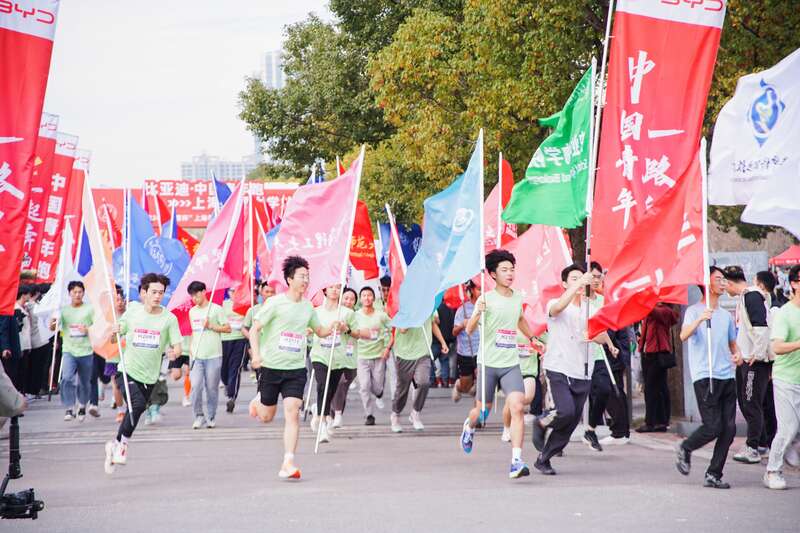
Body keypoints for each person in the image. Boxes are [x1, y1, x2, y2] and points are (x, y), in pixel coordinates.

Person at [247, 256, 341, 479]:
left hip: (296, 369)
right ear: (289, 279)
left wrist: (333, 326)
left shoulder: (309, 307)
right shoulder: (275, 303)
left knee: (293, 413)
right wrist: (257, 355)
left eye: (308, 276)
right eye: (302, 276)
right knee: (267, 416)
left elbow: (319, 332)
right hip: (271, 367)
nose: (306, 280)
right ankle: (258, 400)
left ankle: (288, 462)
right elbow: (254, 329)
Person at [459, 249, 541, 479]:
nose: (510, 273)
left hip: (510, 364)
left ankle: (516, 461)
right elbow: (469, 329)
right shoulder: (485, 299)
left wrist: (534, 339)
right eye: (504, 270)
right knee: (481, 412)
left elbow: (521, 320)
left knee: (517, 406)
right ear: (492, 274)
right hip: (487, 363)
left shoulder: (517, 297)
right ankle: (469, 426)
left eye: (512, 269)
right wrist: (477, 314)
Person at [531, 263, 618, 476]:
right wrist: (580, 283)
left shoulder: (590, 308)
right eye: (574, 278)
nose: (580, 281)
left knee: (570, 422)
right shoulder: (556, 303)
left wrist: (606, 343)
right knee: (565, 411)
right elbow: (558, 308)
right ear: (564, 283)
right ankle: (542, 422)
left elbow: (595, 334)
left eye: (582, 277)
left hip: (583, 370)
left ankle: (544, 458)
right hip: (558, 367)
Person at [104, 273, 182, 474]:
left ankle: (115, 444)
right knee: (137, 406)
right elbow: (115, 337)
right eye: (154, 292)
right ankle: (122, 445)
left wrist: (174, 353)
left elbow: (177, 346)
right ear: (143, 292)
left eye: (161, 293)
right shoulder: (132, 311)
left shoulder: (169, 318)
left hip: (150, 376)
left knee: (135, 412)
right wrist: (114, 332)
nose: (158, 296)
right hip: (127, 370)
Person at [675, 266, 741, 489]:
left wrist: (738, 354)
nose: (723, 283)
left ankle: (714, 473)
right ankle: (686, 447)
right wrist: (700, 319)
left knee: (729, 428)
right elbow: (683, 335)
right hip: (705, 376)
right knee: (713, 426)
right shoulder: (694, 311)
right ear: (707, 283)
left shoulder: (726, 316)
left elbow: (733, 343)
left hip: (726, 376)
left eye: (724, 279)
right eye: (718, 279)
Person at [723, 266, 777, 464]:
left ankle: (753, 447)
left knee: (751, 403)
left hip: (755, 361)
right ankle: (761, 443)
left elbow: (760, 327)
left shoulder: (751, 296)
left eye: (723, 282)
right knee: (751, 402)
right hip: (748, 359)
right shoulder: (748, 297)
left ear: (729, 282)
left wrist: (758, 354)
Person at [764, 264, 800, 490]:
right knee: (787, 427)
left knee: (793, 429)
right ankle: (772, 471)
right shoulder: (785, 313)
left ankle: (791, 446)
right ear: (794, 284)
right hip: (786, 379)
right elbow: (776, 347)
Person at [309, 283, 356, 442]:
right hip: (319, 355)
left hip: (338, 357)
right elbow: (309, 329)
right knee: (323, 385)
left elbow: (357, 333)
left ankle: (319, 410)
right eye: (331, 287)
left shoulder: (347, 313)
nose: (335, 290)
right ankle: (322, 427)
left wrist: (346, 328)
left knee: (330, 390)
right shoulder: (316, 312)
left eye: (338, 287)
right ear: (325, 290)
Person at [390, 312, 447, 433]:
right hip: (404, 353)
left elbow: (433, 324)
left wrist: (442, 342)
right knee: (402, 389)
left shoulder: (426, 305)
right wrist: (414, 315)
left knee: (424, 383)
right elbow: (403, 330)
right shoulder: (403, 307)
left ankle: (415, 412)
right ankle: (395, 414)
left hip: (423, 352)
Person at [49, 281, 95, 422]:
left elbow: (97, 326)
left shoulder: (90, 309)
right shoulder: (63, 310)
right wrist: (53, 323)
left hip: (86, 350)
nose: (77, 294)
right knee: (66, 378)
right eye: (74, 292)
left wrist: (87, 330)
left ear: (83, 293)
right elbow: (53, 328)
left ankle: (82, 405)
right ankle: (69, 407)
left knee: (84, 382)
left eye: (80, 292)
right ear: (69, 293)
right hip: (69, 350)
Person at [187, 281, 230, 429]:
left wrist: (212, 326)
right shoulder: (192, 312)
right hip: (197, 355)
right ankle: (199, 416)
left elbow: (228, 328)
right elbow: (193, 332)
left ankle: (211, 415)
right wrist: (191, 350)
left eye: (197, 294)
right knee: (195, 386)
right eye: (192, 296)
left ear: (204, 292)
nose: (195, 298)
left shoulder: (216, 309)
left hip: (214, 355)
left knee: (211, 388)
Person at [637, 302, 679, 433]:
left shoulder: (665, 311)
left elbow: (652, 311)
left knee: (653, 388)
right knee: (657, 387)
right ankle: (660, 421)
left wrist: (645, 300)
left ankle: (651, 422)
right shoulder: (655, 309)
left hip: (657, 353)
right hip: (647, 352)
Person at [353, 286, 392, 426]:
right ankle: (369, 414)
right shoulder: (356, 315)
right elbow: (350, 331)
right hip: (362, 356)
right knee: (364, 386)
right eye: (364, 295)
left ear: (373, 298)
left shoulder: (380, 315)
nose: (367, 298)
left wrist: (387, 348)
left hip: (379, 356)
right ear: (360, 298)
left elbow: (392, 328)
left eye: (369, 295)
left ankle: (379, 393)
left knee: (377, 387)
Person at [501, 333, 541, 442]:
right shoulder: (510, 323)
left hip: (529, 369)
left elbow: (546, 343)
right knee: (514, 401)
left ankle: (514, 415)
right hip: (511, 369)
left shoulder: (537, 326)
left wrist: (541, 348)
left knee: (527, 398)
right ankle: (507, 428)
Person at [331, 287, 359, 428]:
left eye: (352, 299)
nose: (348, 301)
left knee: (342, 388)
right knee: (339, 384)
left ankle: (329, 412)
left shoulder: (355, 315)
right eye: (346, 298)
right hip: (332, 356)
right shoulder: (332, 313)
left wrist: (347, 329)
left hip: (350, 357)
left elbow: (359, 334)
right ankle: (337, 414)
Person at [452, 280, 481, 403]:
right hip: (465, 352)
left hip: (482, 352)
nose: (482, 291)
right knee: (466, 387)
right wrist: (461, 326)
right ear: (472, 291)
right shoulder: (462, 309)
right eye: (479, 289)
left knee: (481, 386)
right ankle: (458, 386)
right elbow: (454, 332)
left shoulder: (487, 307)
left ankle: (478, 415)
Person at [221, 294, 248, 413]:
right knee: (223, 370)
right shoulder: (223, 305)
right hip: (223, 340)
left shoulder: (246, 304)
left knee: (235, 369)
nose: (235, 293)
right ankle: (228, 385)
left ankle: (232, 397)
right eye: (233, 290)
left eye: (238, 290)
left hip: (240, 340)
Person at [431, 300, 455, 388]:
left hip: (435, 340)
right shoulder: (449, 309)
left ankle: (432, 380)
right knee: (445, 361)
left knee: (431, 360)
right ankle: (445, 381)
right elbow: (452, 323)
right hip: (446, 339)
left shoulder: (433, 308)